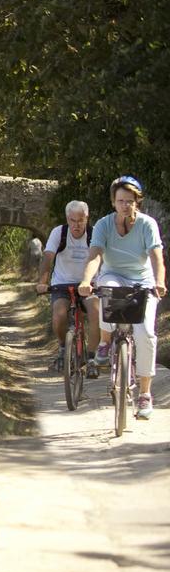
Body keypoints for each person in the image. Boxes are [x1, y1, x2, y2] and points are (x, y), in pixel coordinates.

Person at [78, 175, 167, 420]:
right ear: (113, 202)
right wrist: (86, 280)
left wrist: (159, 282)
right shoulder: (104, 225)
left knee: (145, 334)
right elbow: (95, 255)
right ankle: (105, 342)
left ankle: (145, 394)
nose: (125, 205)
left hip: (143, 281)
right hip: (113, 275)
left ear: (137, 202)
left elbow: (156, 257)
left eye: (130, 201)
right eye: (120, 201)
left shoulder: (147, 224)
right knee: (105, 288)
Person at [35, 200, 101, 374]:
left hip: (88, 284)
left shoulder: (94, 234)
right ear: (67, 219)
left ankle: (92, 359)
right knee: (59, 315)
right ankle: (64, 348)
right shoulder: (59, 232)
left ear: (87, 219)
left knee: (96, 313)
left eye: (80, 220)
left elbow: (99, 258)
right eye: (72, 220)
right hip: (62, 283)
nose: (76, 225)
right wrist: (43, 281)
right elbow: (48, 256)